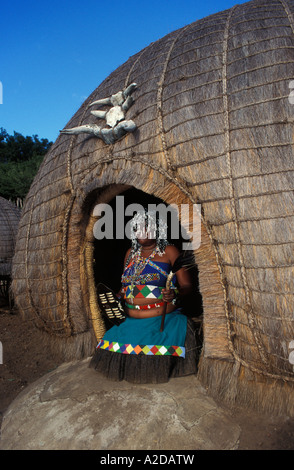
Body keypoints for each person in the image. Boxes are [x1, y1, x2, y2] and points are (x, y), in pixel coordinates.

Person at [89, 209, 200, 383]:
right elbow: (127, 284)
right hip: (131, 318)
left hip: (160, 318)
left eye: (146, 227)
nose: (141, 231)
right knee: (111, 339)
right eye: (137, 228)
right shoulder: (130, 254)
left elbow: (187, 286)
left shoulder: (169, 251)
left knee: (154, 343)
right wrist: (118, 294)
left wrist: (174, 293)